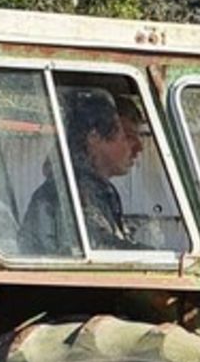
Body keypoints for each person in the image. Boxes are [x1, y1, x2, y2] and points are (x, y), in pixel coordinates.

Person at [20, 88, 145, 254]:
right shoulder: (69, 193)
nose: (139, 147)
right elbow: (98, 252)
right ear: (94, 138)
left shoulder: (100, 191)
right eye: (127, 137)